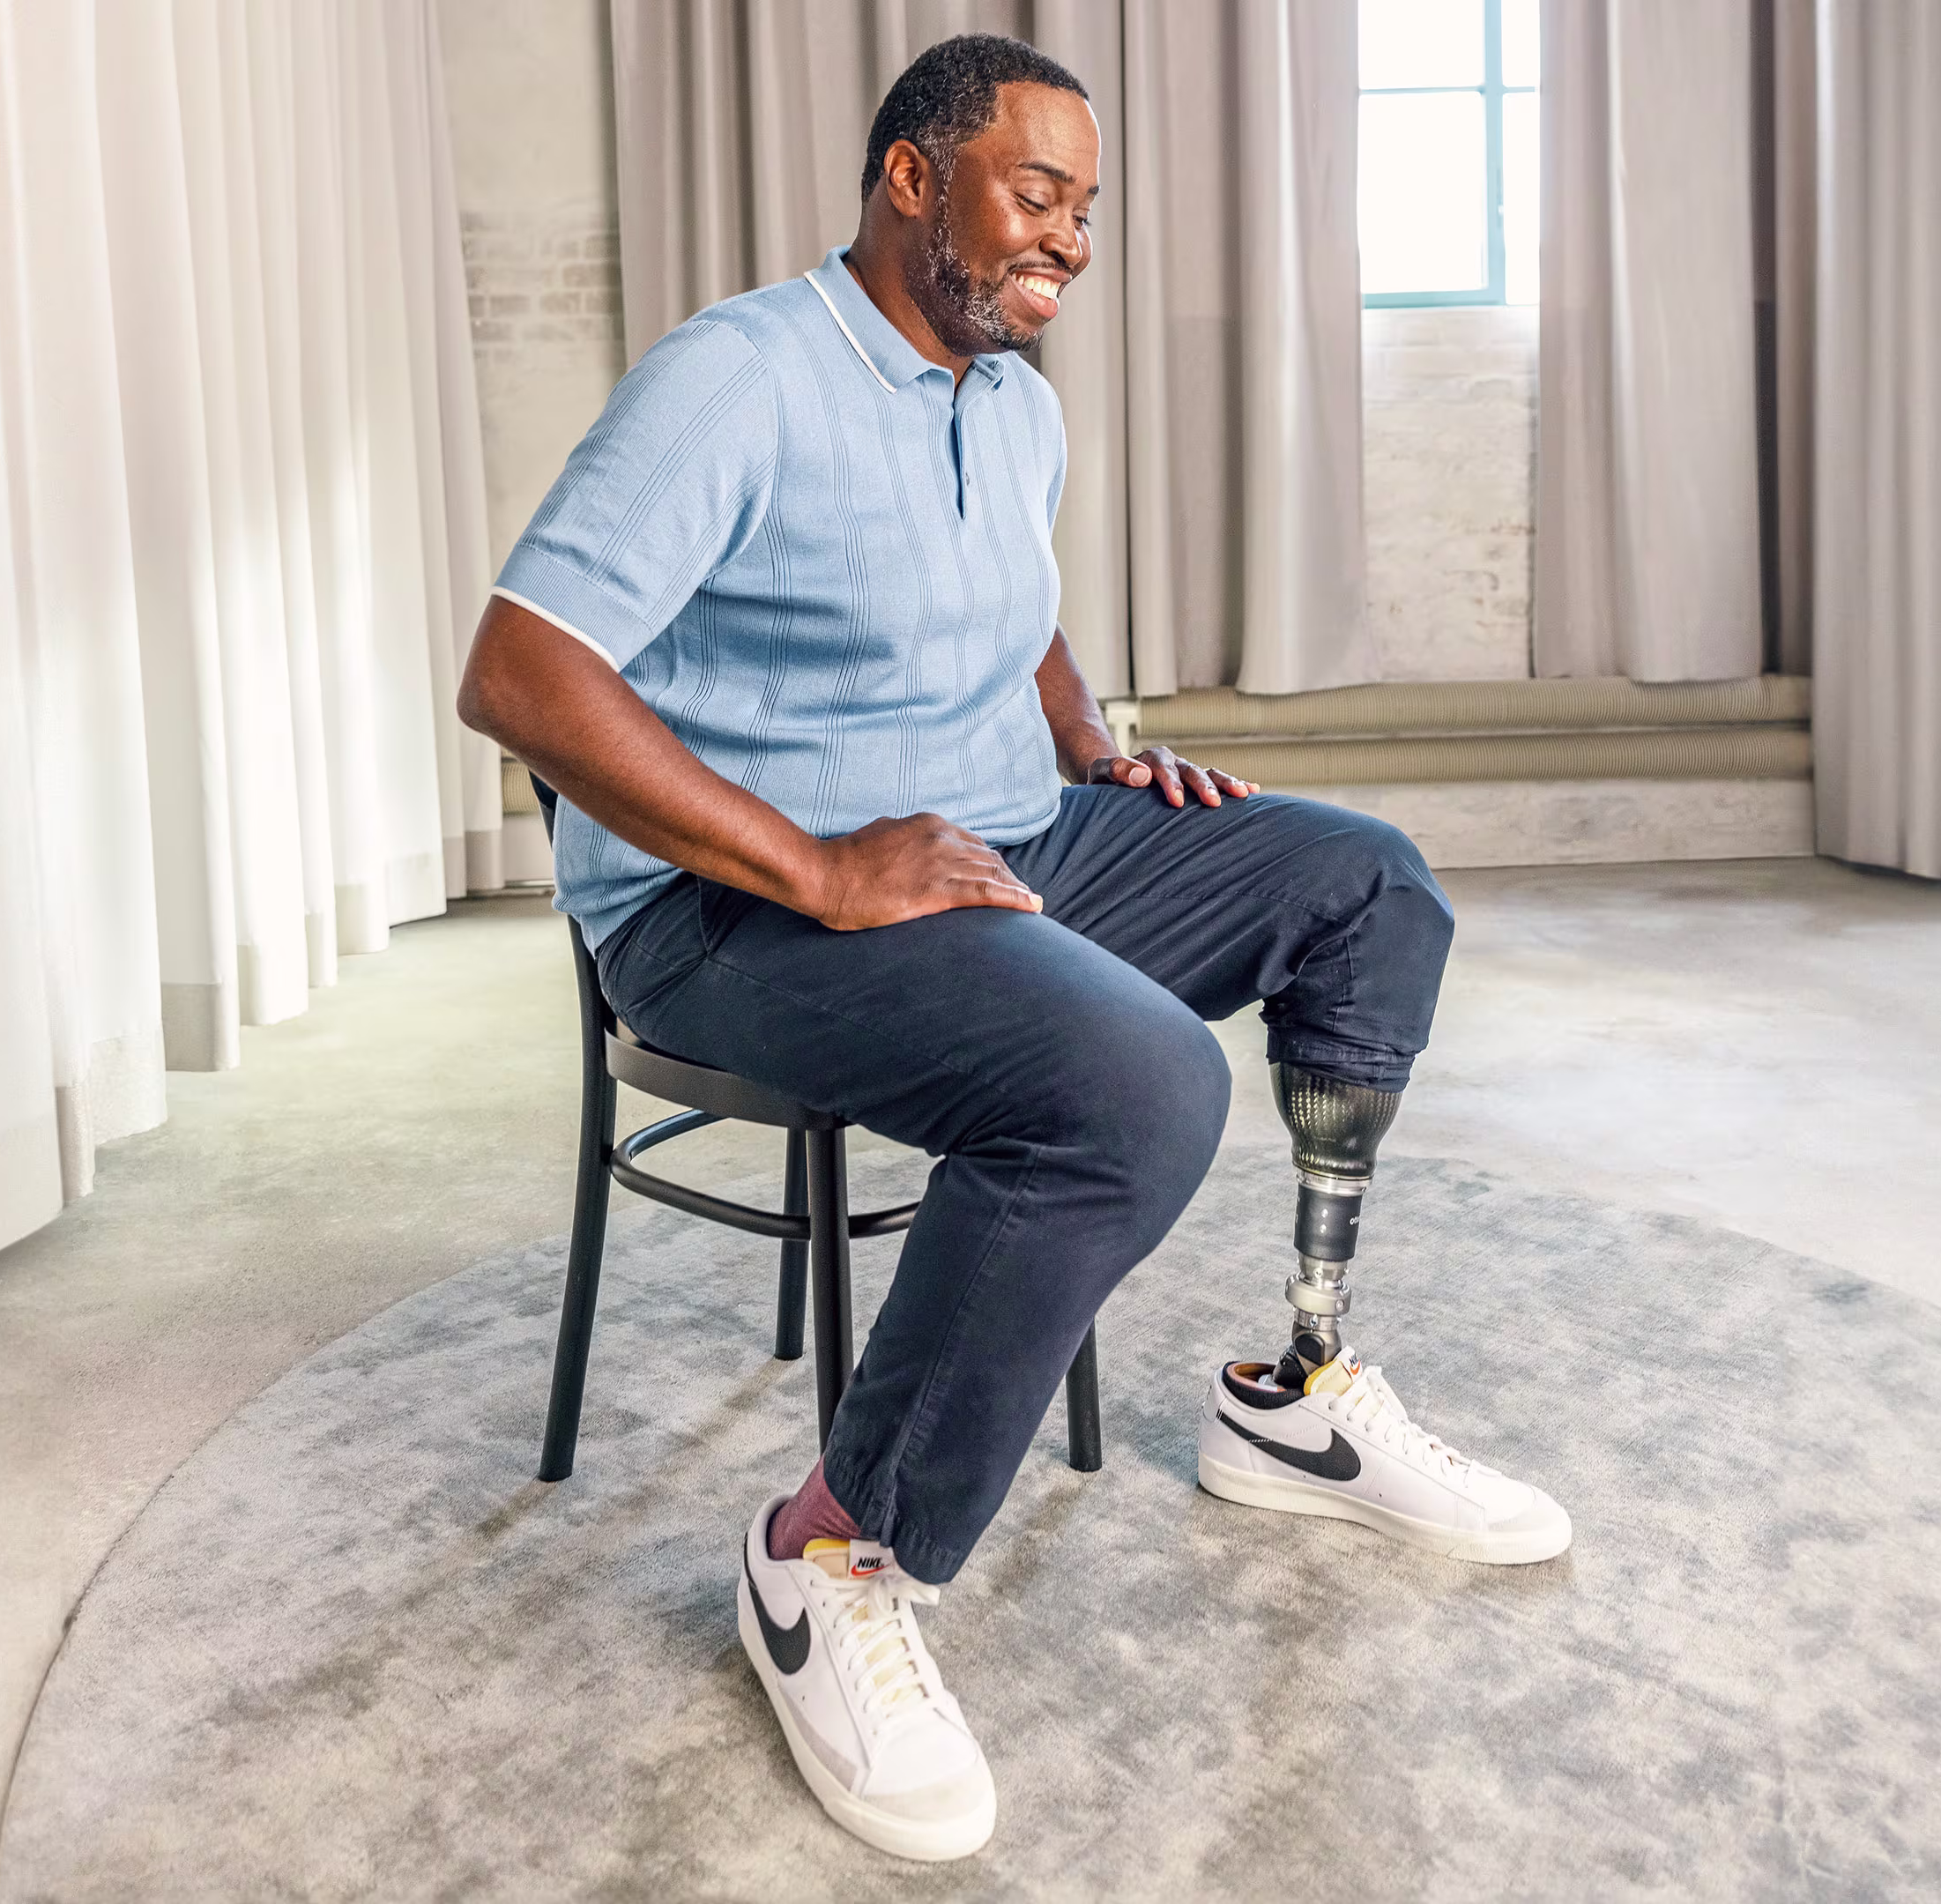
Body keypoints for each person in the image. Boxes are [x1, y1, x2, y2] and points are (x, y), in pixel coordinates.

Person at [454, 33, 1572, 1864]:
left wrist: (1094, 743)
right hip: (729, 908)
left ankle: (1292, 1394)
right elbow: (523, 671)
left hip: (1004, 836)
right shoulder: (736, 379)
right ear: (913, 177)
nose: (1067, 236)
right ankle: (831, 1551)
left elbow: (1013, 611)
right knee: (1135, 1080)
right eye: (1035, 191)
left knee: (1367, 882)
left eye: (1085, 208)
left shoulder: (1011, 396)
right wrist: (817, 867)